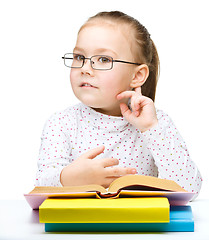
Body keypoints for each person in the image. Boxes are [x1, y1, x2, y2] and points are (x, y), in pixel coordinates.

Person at [35, 11, 202, 199]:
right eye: (80, 57)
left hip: (141, 226)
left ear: (137, 76)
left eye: (104, 59)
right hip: (79, 227)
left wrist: (150, 128)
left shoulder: (156, 123)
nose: (85, 69)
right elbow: (40, 188)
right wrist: (70, 177)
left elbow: (189, 189)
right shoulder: (61, 123)